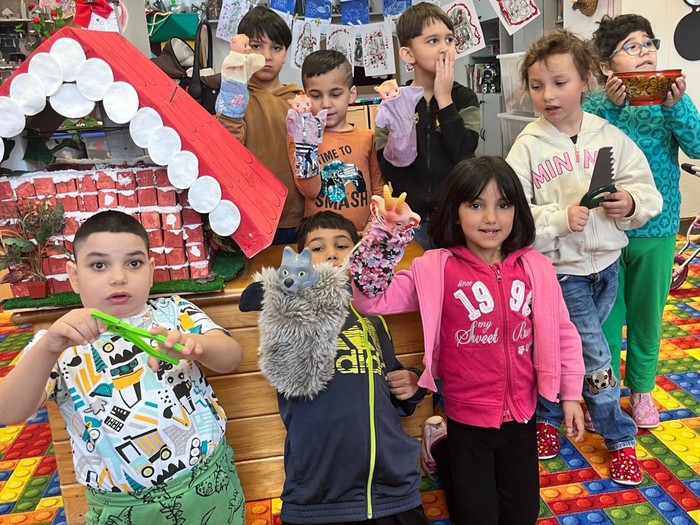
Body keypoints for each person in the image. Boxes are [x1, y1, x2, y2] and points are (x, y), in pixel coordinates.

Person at [350, 157, 586, 525]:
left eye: (503, 205)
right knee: (476, 517)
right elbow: (369, 299)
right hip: (465, 416)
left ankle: (441, 447)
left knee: (522, 515)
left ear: (517, 211)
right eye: (476, 205)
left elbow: (562, 331)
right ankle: (441, 448)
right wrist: (386, 235)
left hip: (522, 413)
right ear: (455, 212)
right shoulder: (435, 268)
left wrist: (570, 394)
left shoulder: (535, 267)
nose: (491, 218)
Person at [0, 210, 245, 523]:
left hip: (211, 481)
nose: (118, 277)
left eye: (134, 263)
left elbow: (232, 357)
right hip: (123, 506)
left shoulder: (174, 312)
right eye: (99, 265)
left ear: (151, 271)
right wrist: (47, 347)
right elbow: (8, 411)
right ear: (74, 276)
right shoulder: (58, 342)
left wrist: (196, 345)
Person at [505, 29, 663, 486]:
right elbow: (513, 214)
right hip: (560, 272)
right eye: (537, 86)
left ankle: (548, 415)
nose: (548, 95)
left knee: (561, 347)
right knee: (595, 355)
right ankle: (620, 437)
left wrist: (629, 203)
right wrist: (559, 219)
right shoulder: (527, 146)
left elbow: (647, 192)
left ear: (586, 81)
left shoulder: (609, 136)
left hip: (606, 267)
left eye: (560, 83)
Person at [240, 210, 430, 525]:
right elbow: (254, 302)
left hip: (393, 491)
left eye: (341, 246)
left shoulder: (374, 319)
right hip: (319, 498)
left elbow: (392, 391)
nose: (331, 253)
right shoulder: (291, 314)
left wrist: (413, 383)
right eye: (317, 248)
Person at [583, 14, 700, 428]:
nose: (645, 52)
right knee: (605, 319)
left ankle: (643, 390)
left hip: (659, 227)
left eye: (648, 43)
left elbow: (698, 145)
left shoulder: (672, 99)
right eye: (631, 47)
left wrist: (677, 105)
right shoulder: (595, 106)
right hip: (605, 229)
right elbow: (585, 153)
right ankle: (602, 395)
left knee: (648, 316)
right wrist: (611, 108)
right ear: (606, 65)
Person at [376, 2, 480, 249]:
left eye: (449, 39)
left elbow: (465, 154)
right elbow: (389, 168)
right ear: (408, 54)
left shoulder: (465, 98)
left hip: (455, 220)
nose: (445, 48)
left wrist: (444, 100)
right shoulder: (393, 103)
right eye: (433, 41)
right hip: (408, 221)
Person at [216, 6, 304, 245]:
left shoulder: (298, 100)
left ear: (285, 53)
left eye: (276, 47)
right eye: (256, 46)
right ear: (243, 49)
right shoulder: (234, 100)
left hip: (300, 216)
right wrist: (233, 98)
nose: (267, 56)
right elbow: (227, 150)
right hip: (253, 217)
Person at [288, 50, 384, 234]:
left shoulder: (367, 137)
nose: (326, 104)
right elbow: (310, 191)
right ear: (305, 97)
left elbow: (379, 190)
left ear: (351, 94)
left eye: (335, 94)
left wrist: (372, 225)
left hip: (363, 236)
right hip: (319, 239)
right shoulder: (298, 137)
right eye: (316, 95)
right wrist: (306, 139)